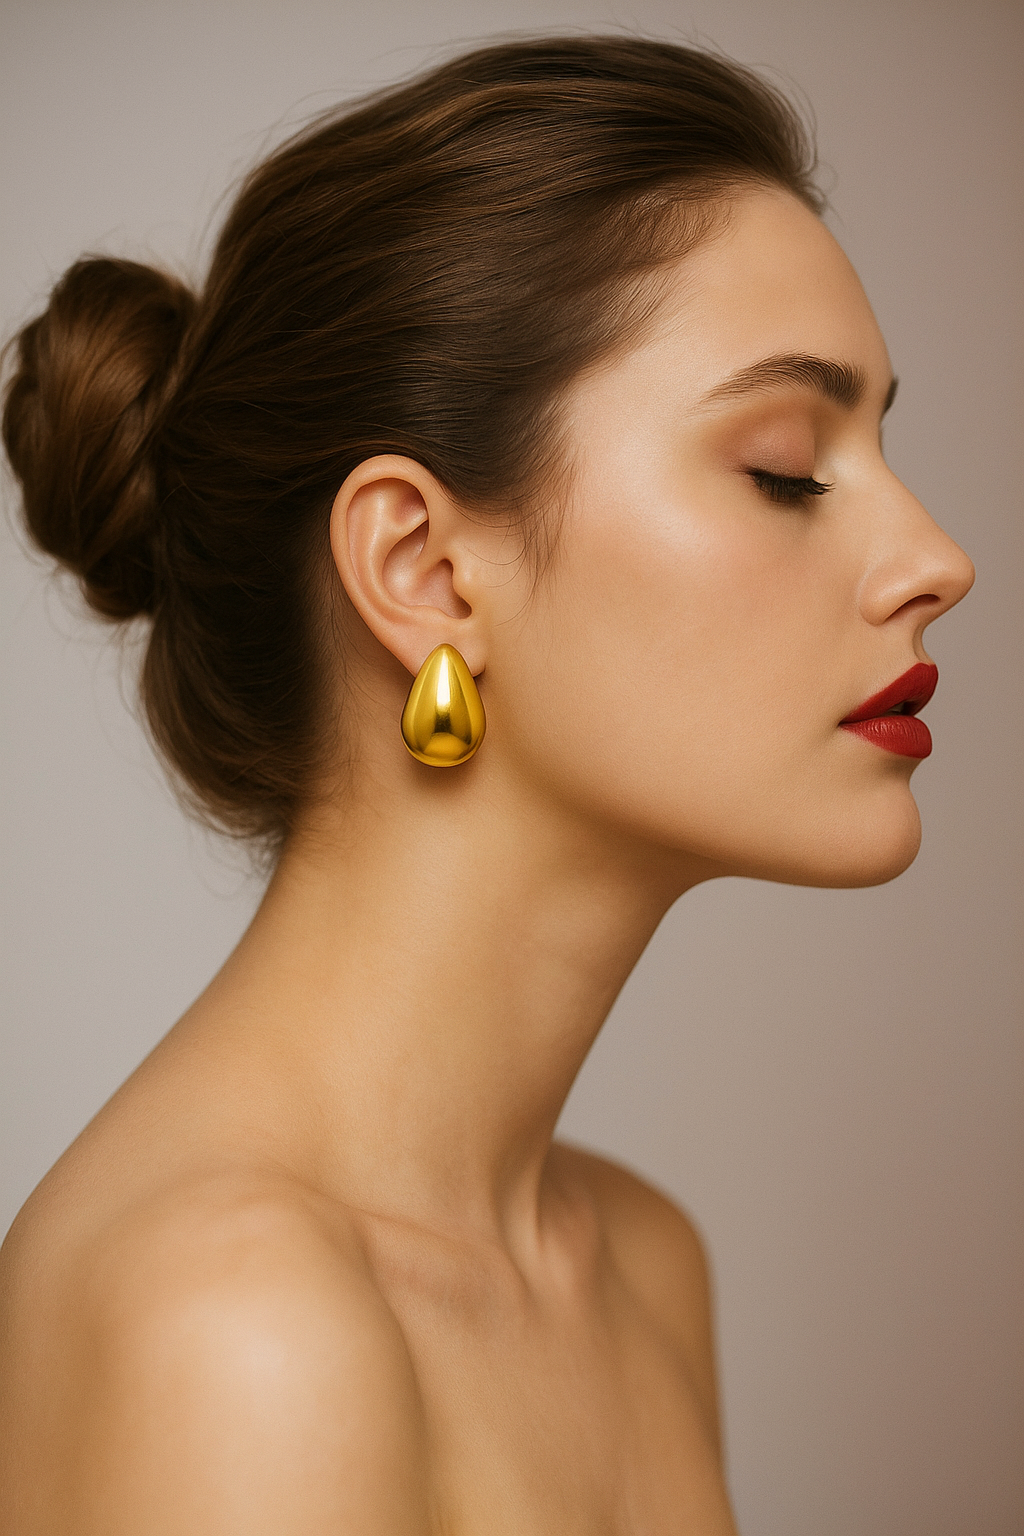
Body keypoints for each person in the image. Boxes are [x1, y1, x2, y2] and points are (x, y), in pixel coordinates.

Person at [0, 34, 973, 1534]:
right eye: (786, 466)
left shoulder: (642, 1267)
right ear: (427, 573)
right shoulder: (234, 1330)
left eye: (882, 441)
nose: (935, 560)